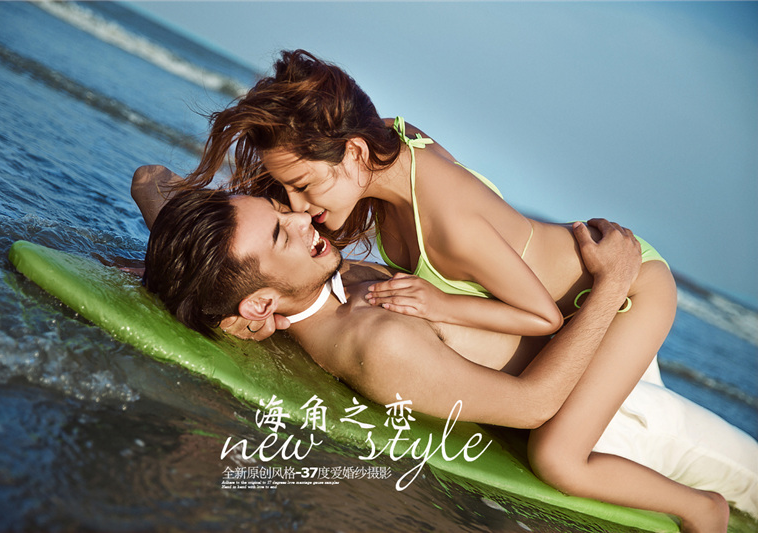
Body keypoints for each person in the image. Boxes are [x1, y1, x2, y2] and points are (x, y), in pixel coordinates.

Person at [158, 50, 708, 529]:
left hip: (625, 287)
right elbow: (160, 186)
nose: (300, 209)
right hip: (561, 295)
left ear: (354, 154)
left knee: (559, 460)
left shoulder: (449, 228)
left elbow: (544, 321)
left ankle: (702, 511)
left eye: (301, 187)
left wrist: (608, 282)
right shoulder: (382, 147)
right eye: (285, 195)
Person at [137, 186, 757, 532]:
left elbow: (165, 201)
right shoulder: (377, 342)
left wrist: (158, 206)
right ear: (257, 306)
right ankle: (701, 509)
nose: (301, 217)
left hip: (600, 352)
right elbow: (533, 405)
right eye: (280, 233)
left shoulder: (306, 292)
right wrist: (613, 283)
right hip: (624, 422)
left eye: (281, 210)